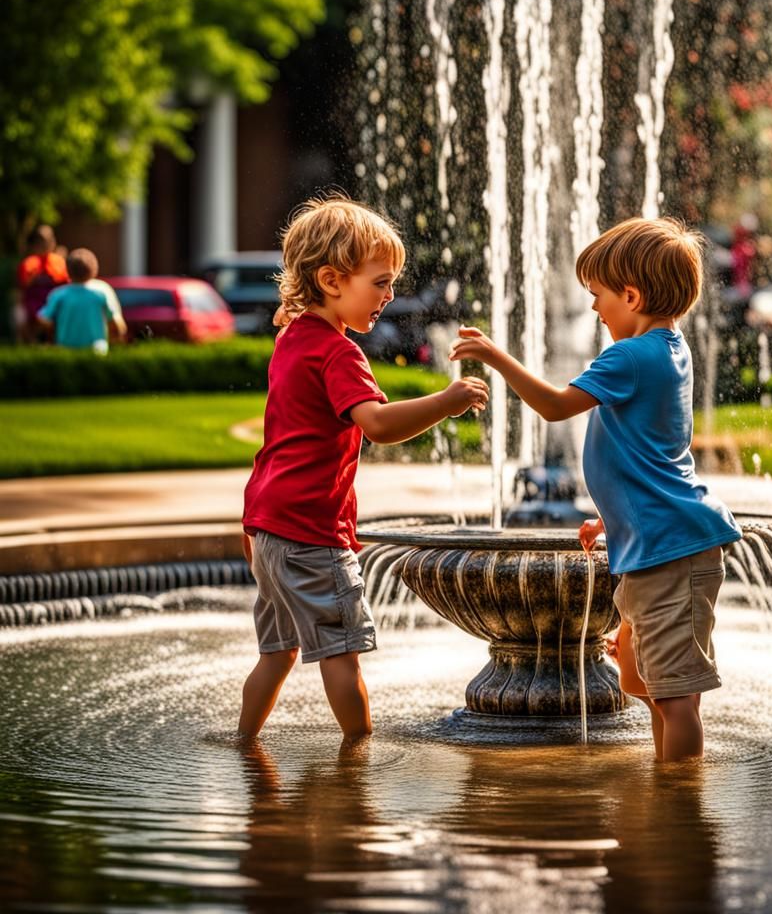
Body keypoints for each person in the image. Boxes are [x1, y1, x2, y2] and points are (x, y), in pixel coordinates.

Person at [451, 216, 742, 761]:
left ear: (631, 295)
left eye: (599, 295)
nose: (593, 308)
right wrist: (613, 518)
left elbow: (556, 406)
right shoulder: (669, 348)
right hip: (661, 543)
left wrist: (495, 357)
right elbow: (652, 456)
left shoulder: (630, 356)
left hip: (669, 552)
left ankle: (681, 814)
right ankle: (665, 798)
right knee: (651, 684)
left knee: (675, 699)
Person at [238, 194, 489, 743]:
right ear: (331, 280)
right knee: (344, 653)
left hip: (265, 525)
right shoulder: (337, 352)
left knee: (276, 654)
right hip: (310, 530)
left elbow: (291, 314)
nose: (389, 295)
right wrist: (446, 402)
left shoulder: (293, 335)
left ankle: (244, 743)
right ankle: (358, 761)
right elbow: (375, 423)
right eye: (379, 282)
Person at [36, 248, 126, 353]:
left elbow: (43, 319)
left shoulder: (59, 294)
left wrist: (54, 329)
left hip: (66, 349)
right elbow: (119, 325)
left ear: (68, 271)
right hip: (96, 350)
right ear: (94, 269)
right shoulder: (102, 291)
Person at [15, 225, 69, 343]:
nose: (46, 244)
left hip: (55, 305)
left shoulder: (59, 262)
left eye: (49, 240)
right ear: (35, 244)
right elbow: (23, 288)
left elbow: (67, 286)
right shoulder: (28, 264)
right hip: (34, 306)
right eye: (42, 241)